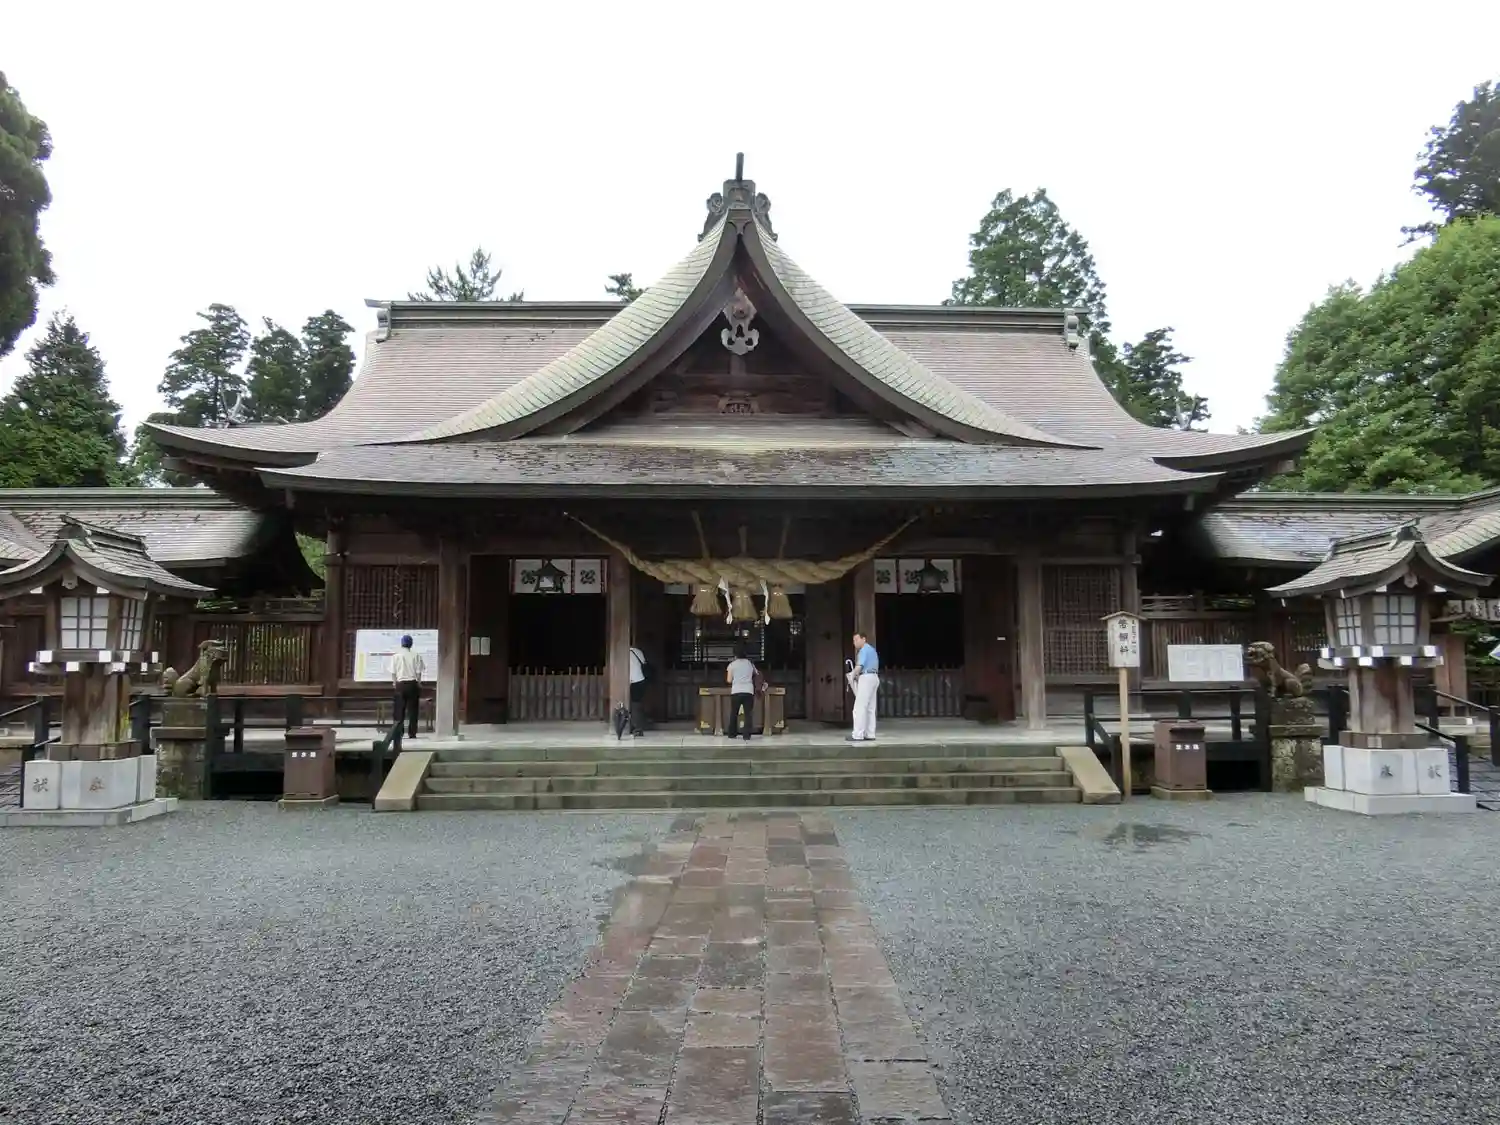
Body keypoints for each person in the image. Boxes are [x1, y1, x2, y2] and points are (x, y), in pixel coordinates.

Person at [390, 634, 424, 740]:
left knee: (399, 710)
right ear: (411, 644)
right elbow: (418, 673)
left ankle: (398, 733)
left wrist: (394, 683)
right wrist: (419, 683)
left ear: (402, 644)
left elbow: (393, 673)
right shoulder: (416, 655)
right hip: (412, 684)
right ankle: (412, 733)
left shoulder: (396, 656)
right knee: (413, 710)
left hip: (400, 684)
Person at [848, 630, 879, 742]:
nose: (854, 642)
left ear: (863, 639)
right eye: (853, 640)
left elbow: (859, 666)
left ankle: (858, 734)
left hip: (866, 677)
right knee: (870, 708)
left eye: (856, 640)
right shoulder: (872, 650)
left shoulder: (863, 650)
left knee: (859, 707)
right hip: (874, 677)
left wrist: (852, 675)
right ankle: (870, 733)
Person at [725, 644, 759, 741]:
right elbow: (756, 674)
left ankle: (732, 734)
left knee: (734, 713)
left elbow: (729, 680)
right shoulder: (750, 664)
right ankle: (747, 735)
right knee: (748, 714)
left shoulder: (732, 665)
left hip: (736, 691)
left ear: (735, 654)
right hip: (748, 691)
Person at [627, 642, 648, 736]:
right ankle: (638, 726)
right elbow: (643, 663)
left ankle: (634, 726)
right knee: (637, 704)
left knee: (631, 705)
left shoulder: (623, 653)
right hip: (640, 679)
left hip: (630, 680)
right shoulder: (638, 651)